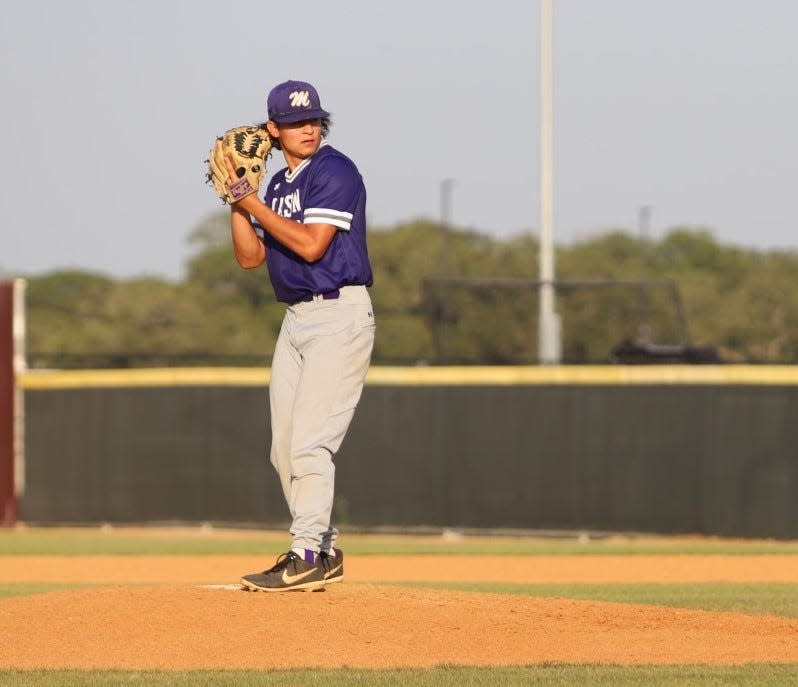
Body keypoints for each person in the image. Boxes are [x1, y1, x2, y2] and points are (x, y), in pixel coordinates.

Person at [223, 80, 375, 592]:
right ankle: (325, 550)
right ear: (273, 130)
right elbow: (249, 257)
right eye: (293, 122)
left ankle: (306, 551)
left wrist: (254, 203)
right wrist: (237, 200)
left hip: (339, 314)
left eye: (313, 120)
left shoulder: (335, 170)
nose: (306, 128)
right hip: (296, 320)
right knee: (284, 449)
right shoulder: (276, 187)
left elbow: (312, 246)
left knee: (311, 445)